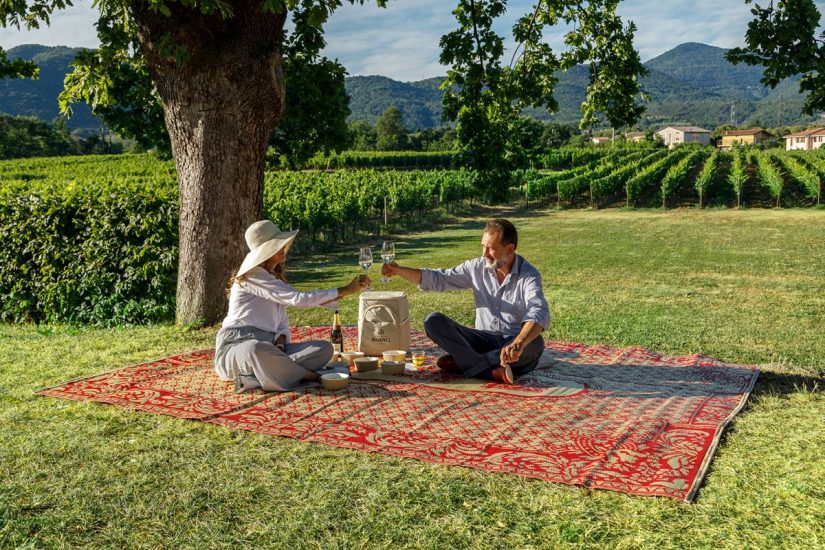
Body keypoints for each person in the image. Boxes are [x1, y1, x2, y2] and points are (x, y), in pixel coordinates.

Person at [382, 218, 549, 384]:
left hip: (511, 347)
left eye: (490, 248)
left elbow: (539, 312)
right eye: (483, 246)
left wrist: (518, 343)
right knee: (433, 321)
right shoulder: (477, 267)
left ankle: (467, 362)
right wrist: (399, 270)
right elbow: (440, 279)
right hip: (481, 340)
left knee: (535, 343)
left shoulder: (528, 275)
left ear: (510, 249)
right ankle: (487, 370)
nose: (484, 254)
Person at [214, 220, 369, 393]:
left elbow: (281, 325)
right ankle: (312, 376)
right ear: (265, 252)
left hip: (271, 350)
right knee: (255, 348)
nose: (284, 247)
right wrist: (344, 290)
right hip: (237, 347)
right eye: (277, 244)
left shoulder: (273, 279)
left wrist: (279, 346)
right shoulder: (252, 276)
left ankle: (259, 376)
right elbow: (298, 299)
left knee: (324, 349)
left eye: (283, 243)